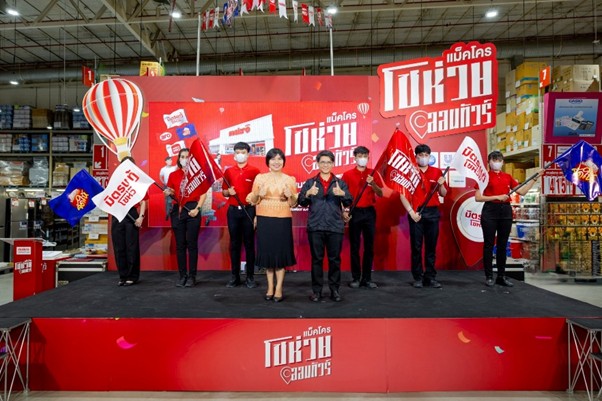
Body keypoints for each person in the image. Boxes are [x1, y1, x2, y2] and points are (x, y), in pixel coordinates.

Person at [475, 151, 543, 287]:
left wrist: (534, 179)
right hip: (490, 211)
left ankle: (501, 276)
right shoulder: (484, 177)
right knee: (489, 245)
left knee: (502, 245)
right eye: (494, 160)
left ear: (503, 162)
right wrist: (497, 197)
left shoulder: (507, 177)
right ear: (488, 162)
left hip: (505, 211)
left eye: (499, 160)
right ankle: (489, 276)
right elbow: (478, 197)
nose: (497, 162)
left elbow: (522, 191)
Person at [298, 150, 353, 302]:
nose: (325, 165)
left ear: (333, 164)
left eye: (328, 162)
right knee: (317, 260)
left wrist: (342, 194)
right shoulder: (310, 182)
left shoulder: (340, 183)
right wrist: (308, 193)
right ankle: (317, 291)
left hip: (335, 226)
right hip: (315, 227)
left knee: (334, 260)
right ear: (318, 163)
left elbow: (349, 200)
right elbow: (301, 201)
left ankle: (334, 290)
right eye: (322, 162)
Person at [246, 148, 297, 302]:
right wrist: (258, 194)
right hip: (264, 219)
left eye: (279, 159)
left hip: (282, 220)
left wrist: (291, 196)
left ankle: (279, 288)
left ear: (283, 161)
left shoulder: (290, 180)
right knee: (268, 255)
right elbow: (252, 200)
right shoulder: (260, 178)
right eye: (273, 159)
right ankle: (270, 288)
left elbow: (293, 203)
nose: (276, 162)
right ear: (268, 161)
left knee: (280, 255)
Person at [400, 144, 448, 289]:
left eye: (426, 155)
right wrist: (411, 212)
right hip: (416, 212)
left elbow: (443, 193)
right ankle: (418, 277)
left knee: (431, 247)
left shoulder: (437, 172)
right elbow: (403, 194)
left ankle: (430, 277)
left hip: (432, 213)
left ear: (429, 156)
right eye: (420, 155)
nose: (423, 158)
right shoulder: (410, 172)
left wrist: (441, 185)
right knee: (416, 247)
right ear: (416, 157)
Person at [163, 148, 207, 288]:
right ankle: (182, 276)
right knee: (180, 244)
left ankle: (192, 277)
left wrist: (197, 209)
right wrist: (168, 192)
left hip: (193, 209)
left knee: (192, 244)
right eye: (182, 156)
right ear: (178, 158)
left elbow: (204, 193)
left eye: (187, 156)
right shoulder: (173, 174)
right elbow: (172, 191)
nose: (184, 159)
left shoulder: (197, 175)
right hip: (178, 210)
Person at [342, 146, 383, 289]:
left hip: (369, 213)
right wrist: (345, 211)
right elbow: (342, 195)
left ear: (368, 158)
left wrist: (373, 183)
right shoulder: (347, 174)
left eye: (365, 156)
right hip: (355, 212)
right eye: (360, 156)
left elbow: (380, 193)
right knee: (354, 247)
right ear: (355, 158)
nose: (362, 158)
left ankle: (367, 278)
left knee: (369, 247)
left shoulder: (373, 173)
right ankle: (355, 278)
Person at [222, 142, 260, 288]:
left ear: (248, 154)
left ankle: (250, 277)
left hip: (249, 210)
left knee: (249, 244)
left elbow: (258, 194)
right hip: (233, 211)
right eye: (237, 152)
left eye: (243, 152)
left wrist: (257, 214)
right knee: (235, 244)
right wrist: (228, 192)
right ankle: (234, 276)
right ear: (234, 154)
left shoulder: (255, 171)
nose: (240, 155)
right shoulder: (229, 171)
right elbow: (224, 192)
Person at [112, 156, 148, 287]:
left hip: (131, 215)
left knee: (131, 247)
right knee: (119, 247)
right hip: (117, 214)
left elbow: (143, 201)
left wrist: (141, 217)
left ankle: (132, 276)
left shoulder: (137, 181)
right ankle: (122, 276)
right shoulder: (115, 182)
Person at [159, 156, 177, 221]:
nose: (170, 161)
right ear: (166, 161)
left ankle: (174, 213)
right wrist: (163, 182)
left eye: (171, 160)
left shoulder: (174, 168)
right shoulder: (163, 169)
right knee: (167, 201)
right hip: (167, 186)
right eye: (169, 160)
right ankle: (168, 213)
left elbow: (178, 164)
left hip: (173, 187)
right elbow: (160, 176)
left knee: (174, 199)